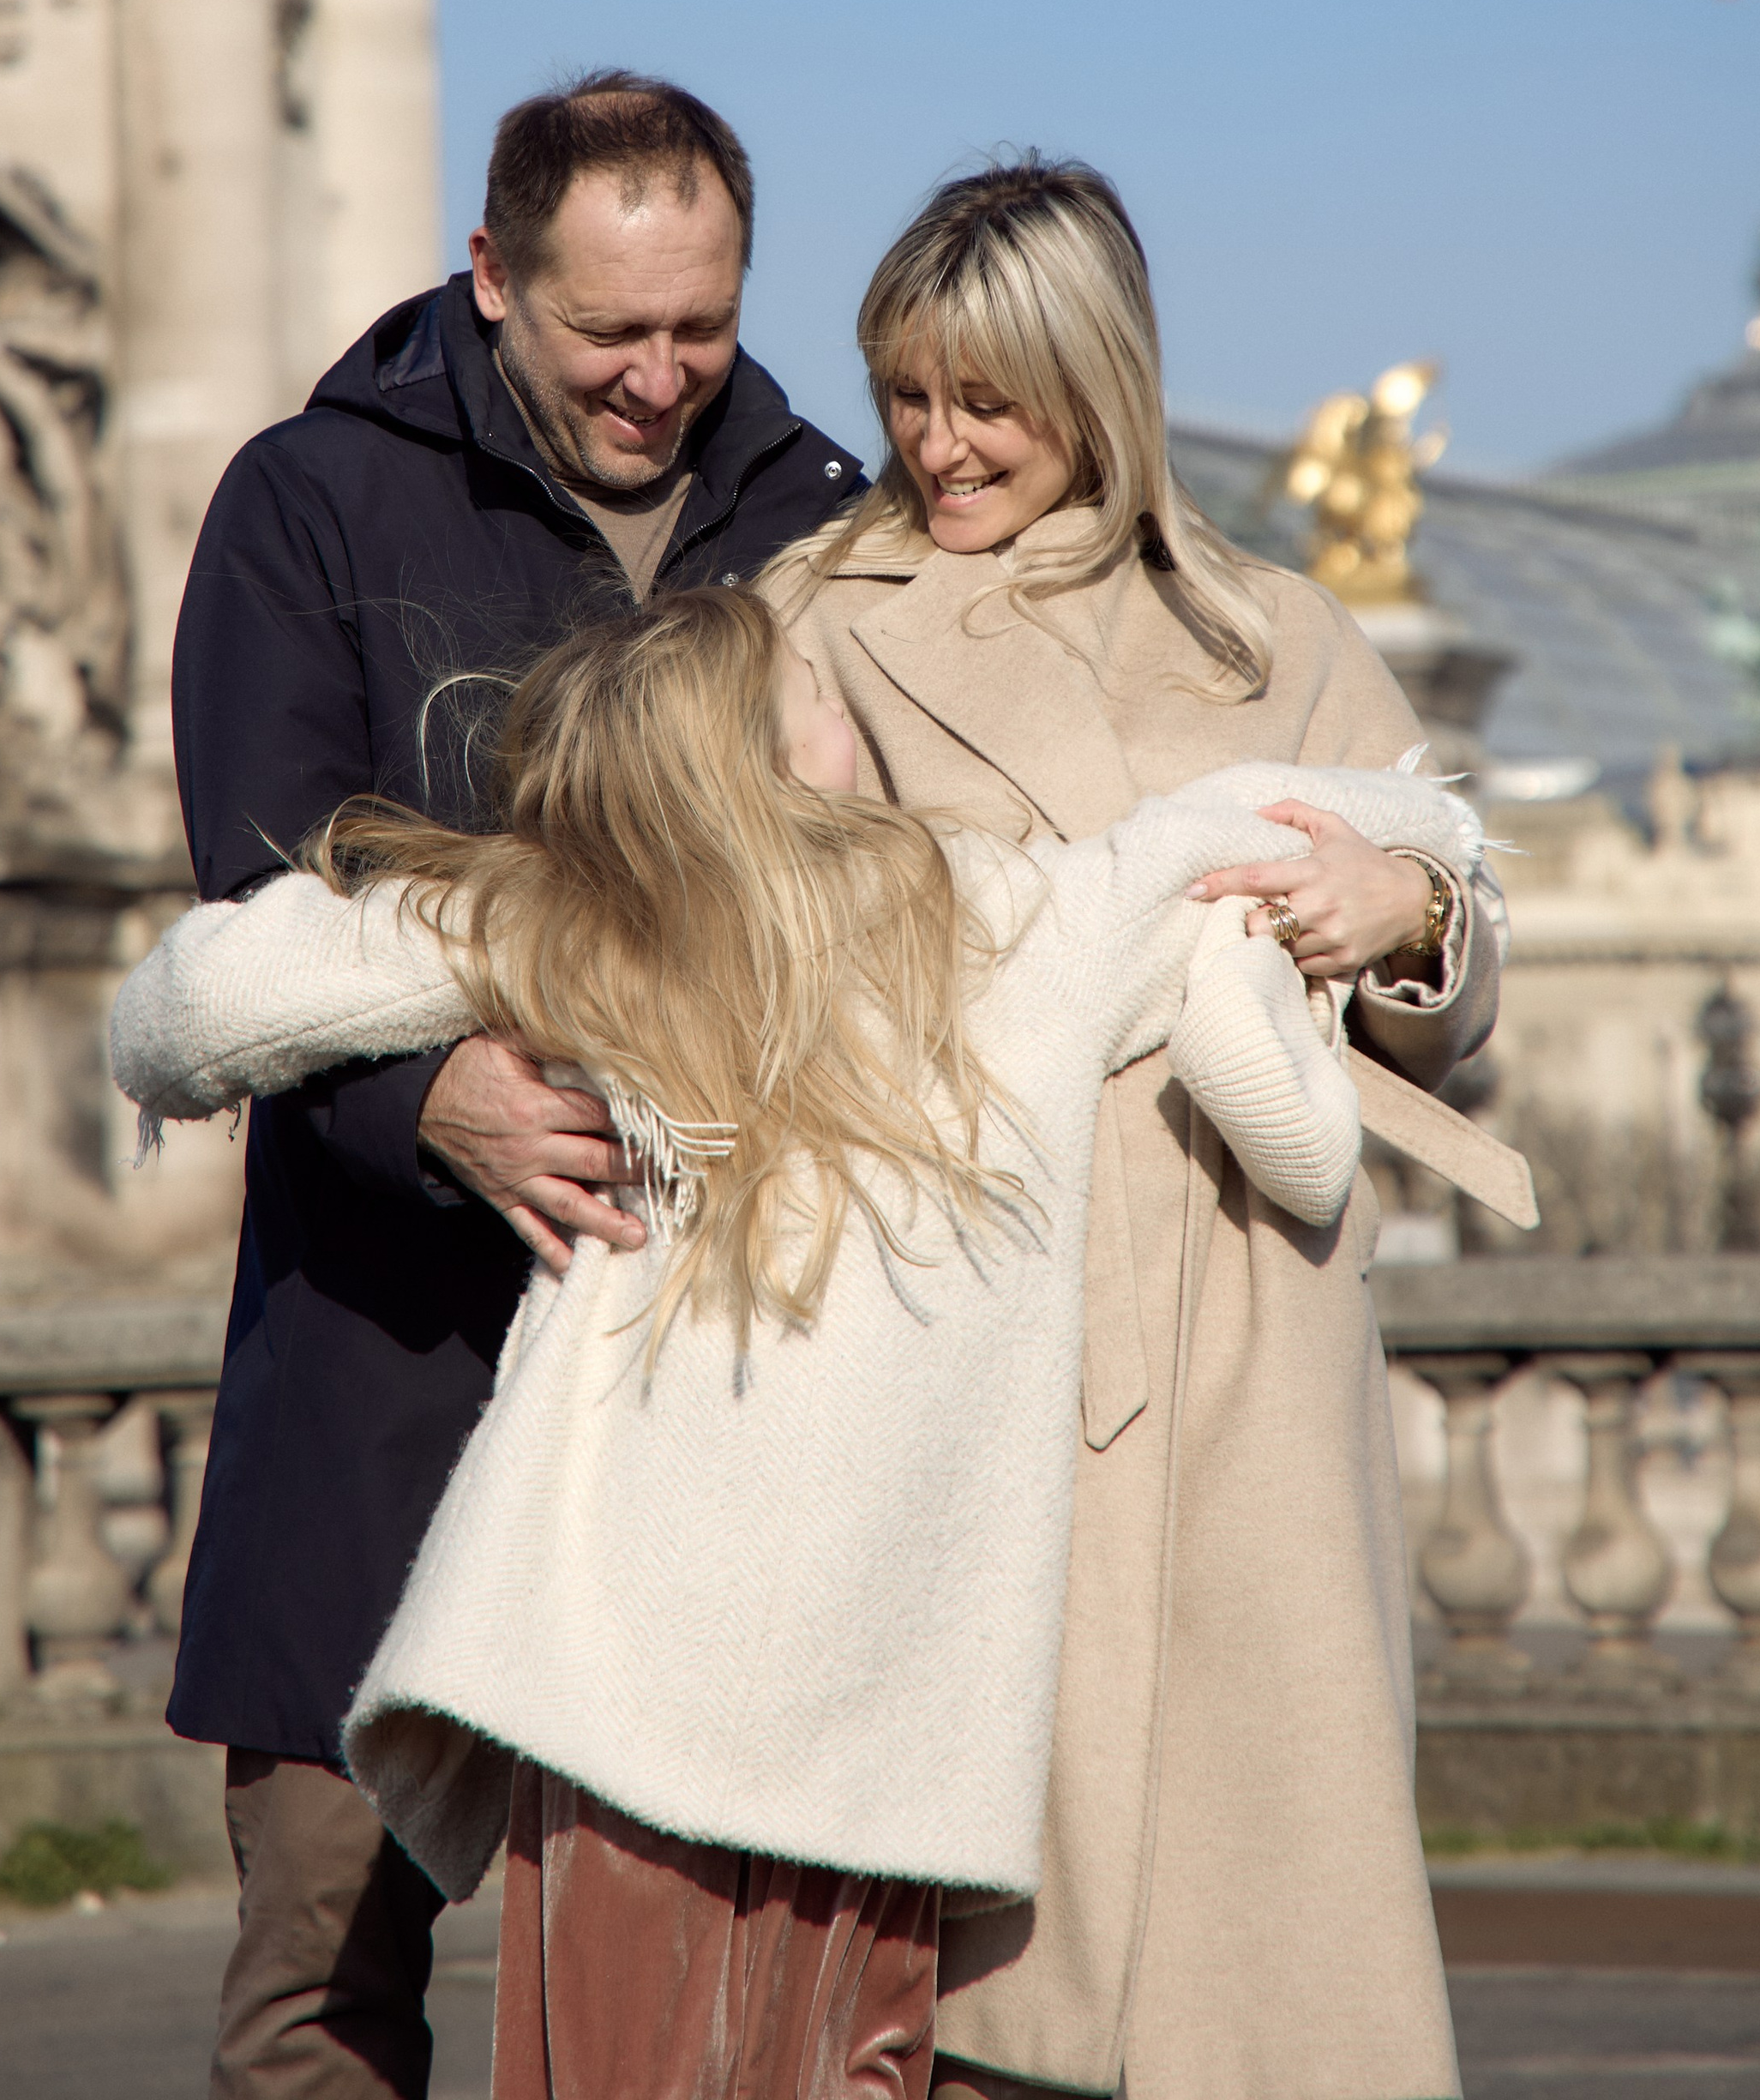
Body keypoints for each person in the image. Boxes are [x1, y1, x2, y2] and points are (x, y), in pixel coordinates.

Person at [117, 586, 1491, 2100]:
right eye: (816, 693)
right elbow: (1247, 830)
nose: (852, 706)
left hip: (620, 1670)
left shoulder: (572, 922)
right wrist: (1411, 873)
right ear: (783, 761)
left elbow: (191, 1005)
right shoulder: (995, 922)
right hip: (892, 1713)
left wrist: (411, 1044)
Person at [768, 156, 1525, 2100]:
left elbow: (1450, 938)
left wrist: (1402, 916)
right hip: (990, 1312)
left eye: (984, 402)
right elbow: (759, 951)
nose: (935, 446)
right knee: (1007, 1946)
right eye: (906, 395)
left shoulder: (1280, 630)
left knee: (1268, 1927)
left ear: (1095, 388)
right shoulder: (817, 619)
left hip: (1257, 1338)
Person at [164, 72, 862, 2100]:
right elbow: (261, 915)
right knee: (321, 1987)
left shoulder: (826, 519)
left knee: (709, 2006)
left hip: (718, 1386)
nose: (660, 381)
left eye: (701, 327)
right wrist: (427, 1105)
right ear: (491, 279)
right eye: (606, 332)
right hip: (391, 1362)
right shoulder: (311, 499)